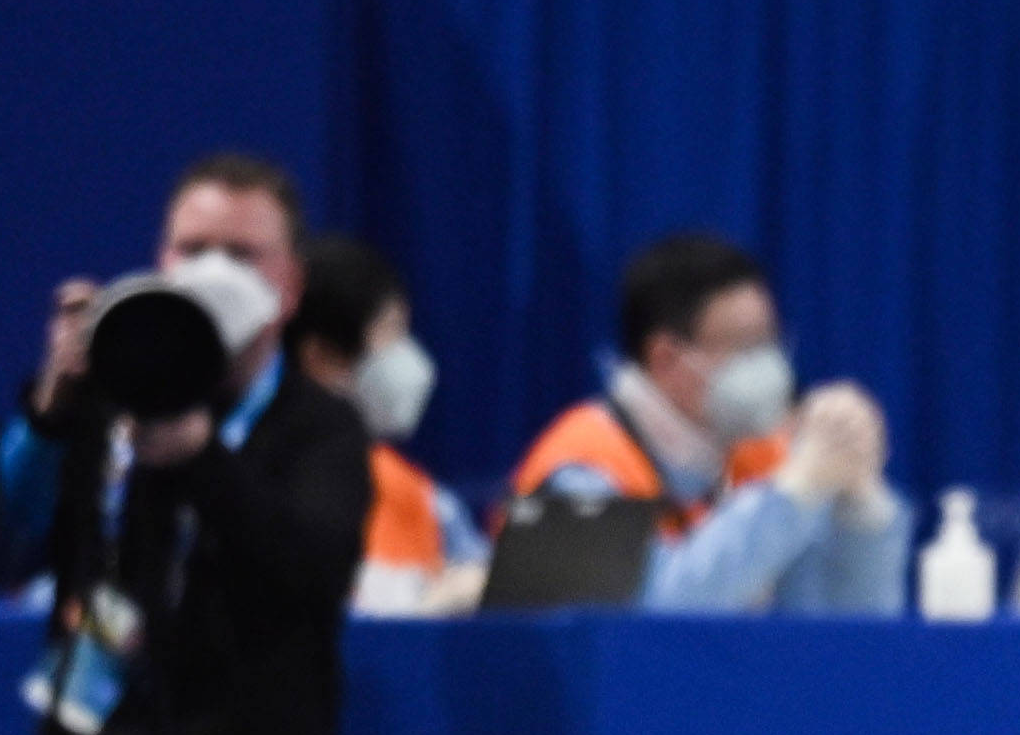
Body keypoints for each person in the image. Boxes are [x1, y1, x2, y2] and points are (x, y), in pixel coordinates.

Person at [0, 150, 372, 735]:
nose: (212, 271)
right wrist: (50, 413)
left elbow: (314, 573)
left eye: (241, 253)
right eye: (192, 247)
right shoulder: (102, 393)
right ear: (162, 261)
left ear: (289, 286)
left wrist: (203, 460)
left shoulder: (324, 426)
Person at [509, 232, 901, 614]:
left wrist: (859, 505)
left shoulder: (762, 454)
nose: (770, 365)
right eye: (746, 346)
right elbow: (652, 622)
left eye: (770, 341)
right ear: (665, 357)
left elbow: (833, 628)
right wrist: (792, 495)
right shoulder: (577, 470)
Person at [288, 234, 482, 617]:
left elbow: (489, 580)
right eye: (391, 332)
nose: (408, 359)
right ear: (321, 357)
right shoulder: (263, 479)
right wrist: (425, 606)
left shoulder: (419, 494)